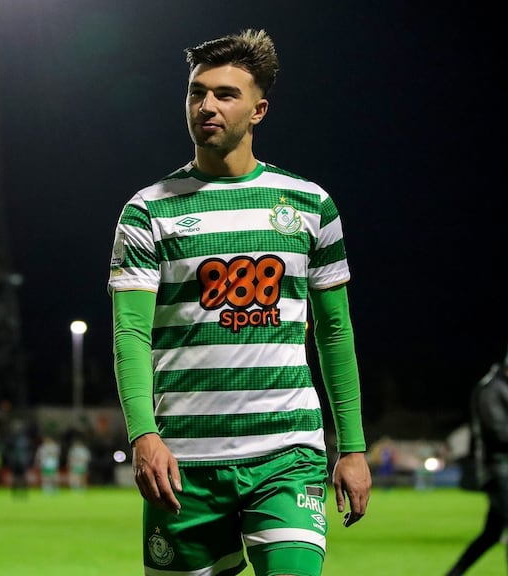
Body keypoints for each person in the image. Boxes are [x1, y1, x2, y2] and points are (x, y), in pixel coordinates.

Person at [106, 28, 372, 576]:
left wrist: (353, 446)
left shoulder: (309, 205)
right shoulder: (146, 212)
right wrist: (143, 434)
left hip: (287, 455)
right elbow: (130, 334)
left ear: (259, 110)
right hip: (184, 464)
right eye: (196, 92)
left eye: (226, 94)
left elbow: (335, 332)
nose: (207, 105)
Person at [446, 328, 508, 576]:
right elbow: (499, 433)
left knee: (491, 534)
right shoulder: (490, 389)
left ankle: (452, 574)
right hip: (498, 469)